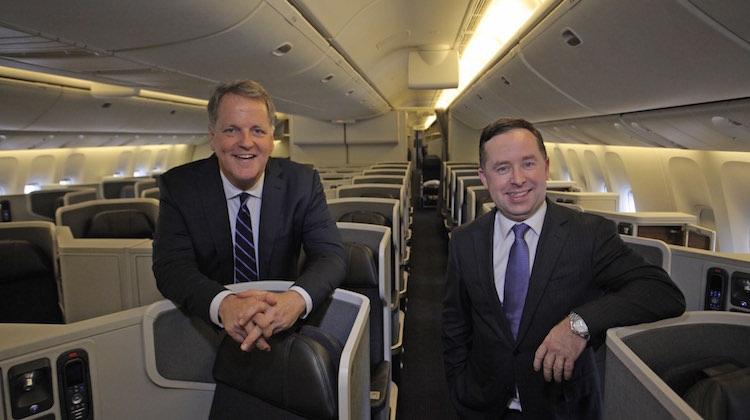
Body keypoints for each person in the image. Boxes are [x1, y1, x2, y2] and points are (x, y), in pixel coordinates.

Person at [441, 118, 686, 419]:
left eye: (528, 164)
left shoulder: (588, 234)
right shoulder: (465, 240)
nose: (517, 179)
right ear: (484, 177)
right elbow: (455, 324)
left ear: (545, 167)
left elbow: (661, 292)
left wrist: (578, 324)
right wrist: (460, 389)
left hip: (562, 409)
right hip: (483, 406)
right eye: (502, 168)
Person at [152, 80, 346, 412]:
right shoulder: (180, 187)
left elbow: (331, 256)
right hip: (209, 339)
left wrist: (294, 301)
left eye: (257, 130)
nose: (246, 142)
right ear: (212, 137)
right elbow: (171, 266)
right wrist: (223, 304)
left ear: (272, 138)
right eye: (231, 130)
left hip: (286, 336)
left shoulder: (301, 182)